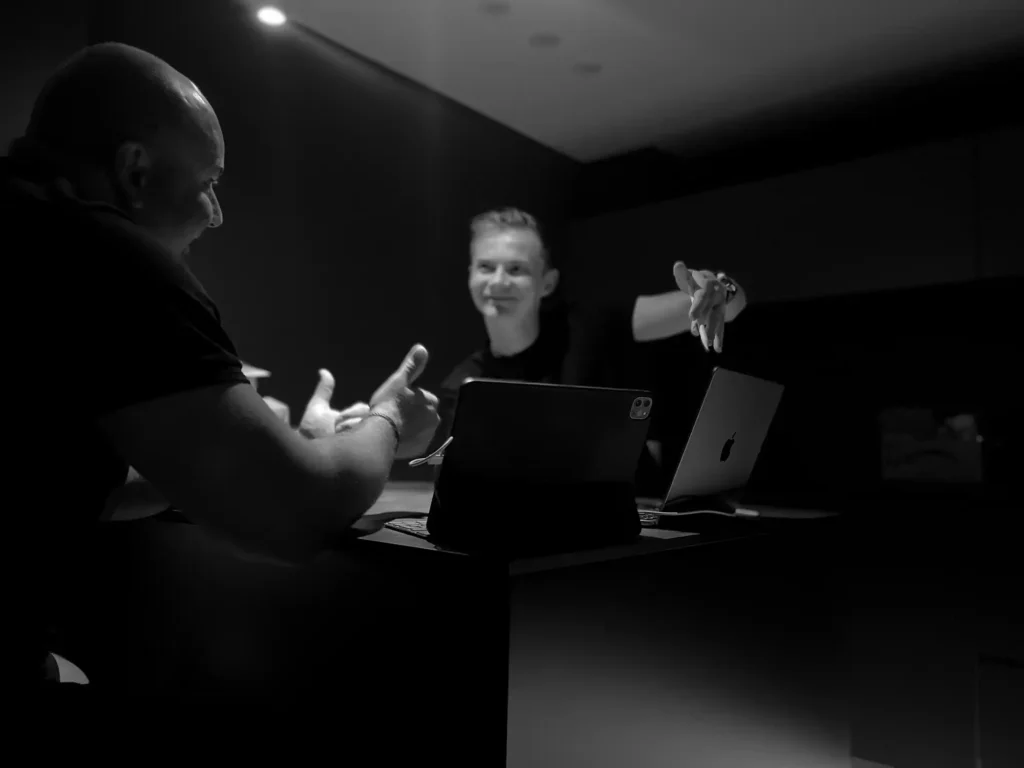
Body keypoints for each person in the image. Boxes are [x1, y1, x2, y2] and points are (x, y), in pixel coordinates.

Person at [4, 42, 440, 692]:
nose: (216, 213)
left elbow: (60, 494)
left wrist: (301, 446)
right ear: (135, 172)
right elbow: (294, 513)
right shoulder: (106, 257)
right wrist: (384, 419)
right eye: (207, 183)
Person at [426, 209, 748, 471]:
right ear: (470, 276)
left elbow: (721, 307)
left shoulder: (589, 325)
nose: (498, 281)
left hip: (637, 515)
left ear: (547, 283)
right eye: (485, 267)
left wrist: (721, 290)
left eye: (515, 269)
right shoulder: (466, 382)